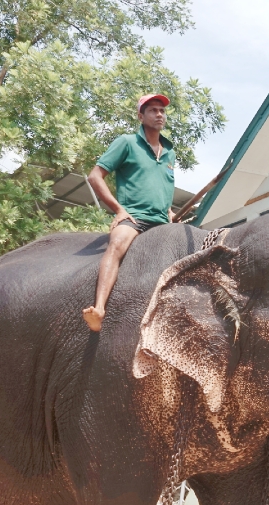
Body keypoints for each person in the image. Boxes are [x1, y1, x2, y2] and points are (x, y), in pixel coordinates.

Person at [82, 93, 176, 332]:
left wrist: (169, 209)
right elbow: (95, 176)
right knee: (116, 244)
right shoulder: (126, 142)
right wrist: (119, 210)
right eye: (153, 110)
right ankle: (99, 309)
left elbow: (160, 186)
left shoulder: (169, 152)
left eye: (162, 111)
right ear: (140, 116)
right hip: (135, 217)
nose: (159, 114)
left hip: (163, 222)